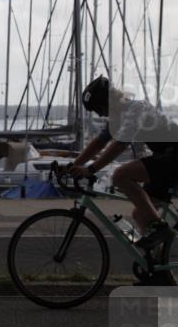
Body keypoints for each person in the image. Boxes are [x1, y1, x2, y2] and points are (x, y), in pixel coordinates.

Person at [68, 76, 177, 256]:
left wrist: (91, 169)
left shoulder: (136, 109)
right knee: (141, 215)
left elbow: (119, 145)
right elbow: (99, 143)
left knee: (120, 175)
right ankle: (157, 269)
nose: (101, 114)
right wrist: (74, 165)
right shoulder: (118, 117)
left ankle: (161, 228)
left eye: (100, 109)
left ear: (110, 101)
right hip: (165, 157)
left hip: (174, 154)